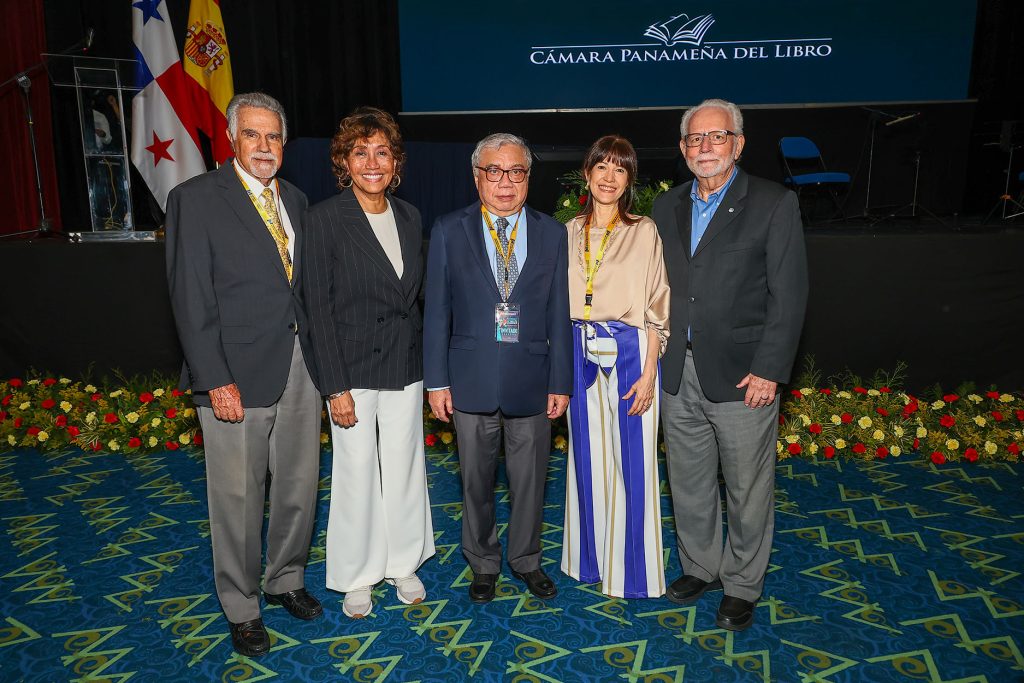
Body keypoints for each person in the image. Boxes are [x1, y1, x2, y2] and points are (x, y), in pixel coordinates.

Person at [165, 92, 323, 657]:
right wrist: (214, 378)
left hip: (301, 364)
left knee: (300, 485)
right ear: (232, 139)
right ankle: (241, 604)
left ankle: (286, 579)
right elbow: (190, 297)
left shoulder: (299, 200)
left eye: (273, 136)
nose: (264, 146)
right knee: (237, 495)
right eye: (252, 135)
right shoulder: (196, 200)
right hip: (233, 371)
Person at [652, 98, 808, 631]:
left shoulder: (772, 202)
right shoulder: (665, 207)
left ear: (738, 144)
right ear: (682, 148)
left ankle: (743, 583)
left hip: (746, 376)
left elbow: (789, 295)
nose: (706, 147)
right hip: (677, 372)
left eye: (717, 137)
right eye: (696, 139)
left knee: (747, 487)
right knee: (689, 480)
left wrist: (771, 368)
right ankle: (700, 565)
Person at [423, 133, 572, 604]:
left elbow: (558, 313)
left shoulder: (553, 232)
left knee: (530, 482)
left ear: (528, 178)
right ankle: (483, 562)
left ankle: (526, 560)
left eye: (516, 172)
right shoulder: (449, 229)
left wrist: (561, 381)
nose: (505, 182)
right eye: (494, 171)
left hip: (532, 379)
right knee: (475, 481)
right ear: (477, 176)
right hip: (469, 379)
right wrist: (437, 380)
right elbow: (436, 313)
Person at [303, 107, 435, 619]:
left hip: (404, 365)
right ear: (344, 162)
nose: (372, 162)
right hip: (351, 372)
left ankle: (403, 563)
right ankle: (357, 574)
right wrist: (333, 386)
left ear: (396, 161)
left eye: (382, 152)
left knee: (405, 468)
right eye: (361, 153)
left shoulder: (409, 216)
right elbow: (317, 308)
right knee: (356, 471)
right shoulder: (324, 219)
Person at [560, 135, 670, 599]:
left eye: (619, 169)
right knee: (585, 463)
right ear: (586, 174)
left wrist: (648, 372)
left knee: (633, 466)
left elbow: (657, 307)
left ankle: (633, 573)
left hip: (631, 356)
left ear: (629, 180)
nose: (608, 177)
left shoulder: (644, 230)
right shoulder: (566, 230)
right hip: (577, 355)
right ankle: (589, 562)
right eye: (601, 167)